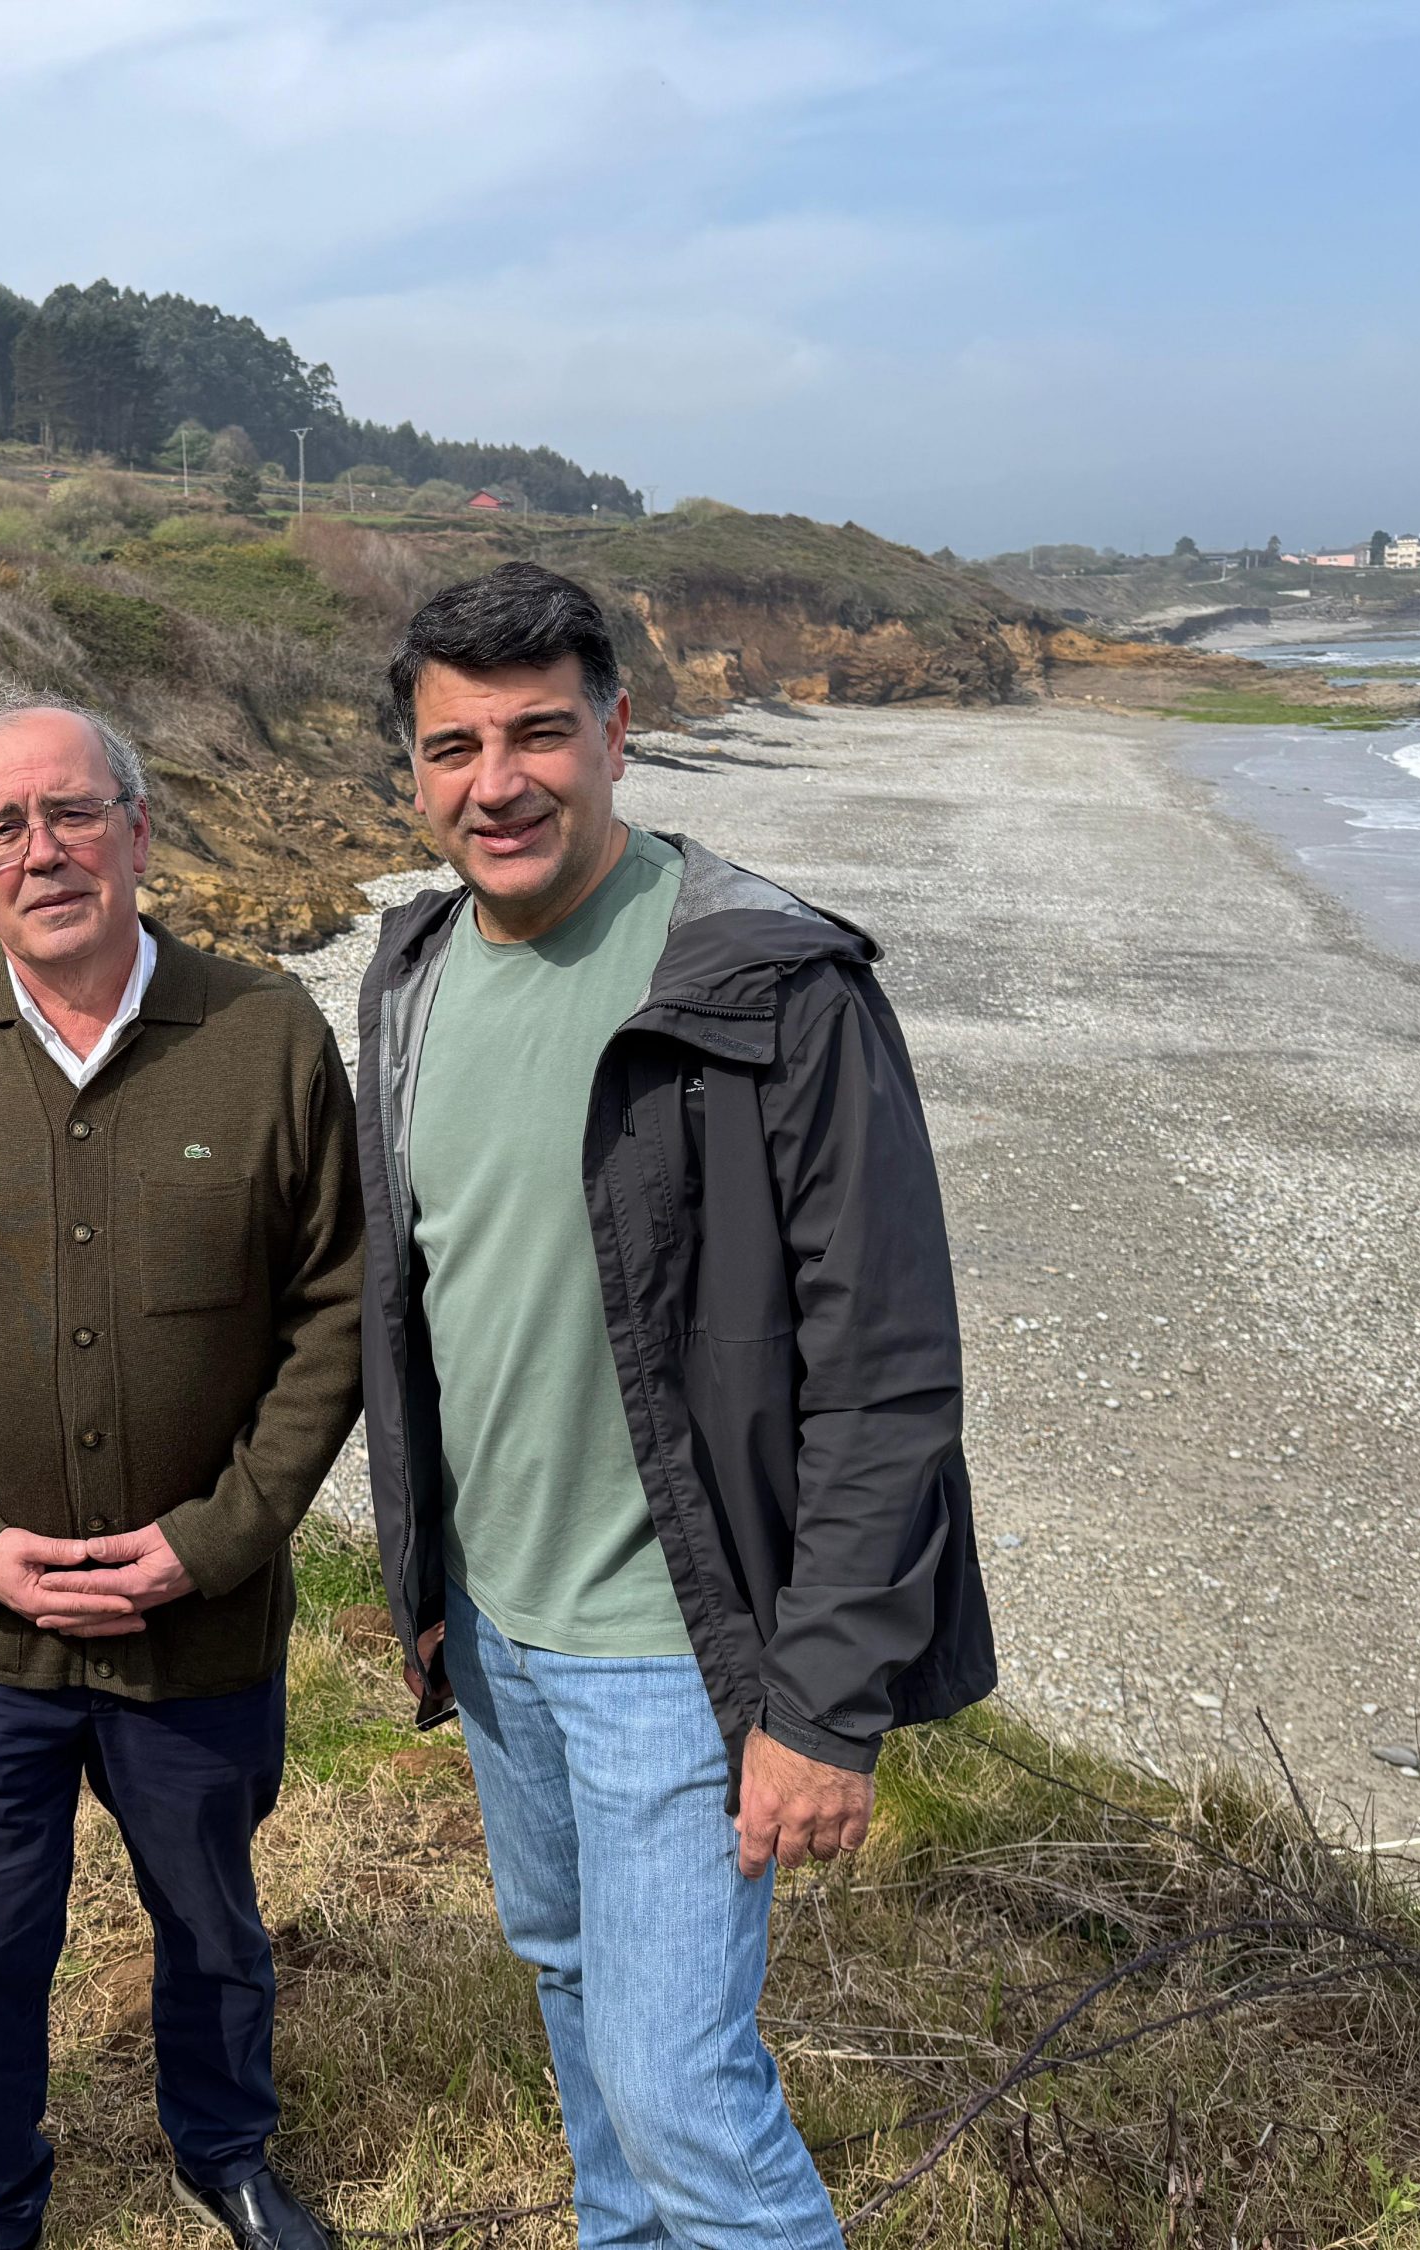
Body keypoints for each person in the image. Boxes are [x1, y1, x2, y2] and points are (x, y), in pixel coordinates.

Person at [355, 565, 995, 2248]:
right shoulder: (408, 977)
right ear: (413, 774)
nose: (497, 781)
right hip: (500, 1636)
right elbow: (423, 1308)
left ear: (620, 733)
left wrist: (822, 1704)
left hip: (677, 1654)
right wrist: (426, 1589)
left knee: (682, 2097)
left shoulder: (773, 983)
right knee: (576, 2014)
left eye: (539, 733)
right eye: (453, 746)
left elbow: (888, 1371)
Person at [0, 694, 364, 2250]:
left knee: (212, 1912)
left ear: (137, 826)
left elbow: (337, 1310)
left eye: (74, 812)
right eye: (6, 827)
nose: (44, 849)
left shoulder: (267, 1034)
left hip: (203, 1620)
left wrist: (221, 1538)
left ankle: (224, 2146)